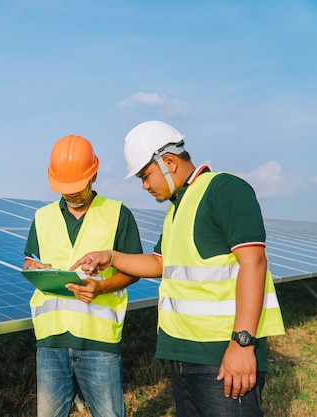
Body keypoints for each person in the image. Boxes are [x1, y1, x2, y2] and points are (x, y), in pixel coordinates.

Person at [71, 121, 285, 417]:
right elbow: (161, 263)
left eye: (145, 176)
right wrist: (109, 257)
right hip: (185, 357)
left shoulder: (223, 189)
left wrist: (242, 344)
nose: (144, 186)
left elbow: (254, 262)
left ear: (168, 162)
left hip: (222, 356)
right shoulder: (178, 207)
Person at [23, 134, 143, 417]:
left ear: (94, 174)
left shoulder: (117, 214)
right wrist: (33, 268)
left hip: (98, 341)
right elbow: (30, 261)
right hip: (50, 340)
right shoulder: (42, 217)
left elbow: (134, 270)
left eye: (76, 186)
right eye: (65, 188)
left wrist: (101, 288)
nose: (71, 193)